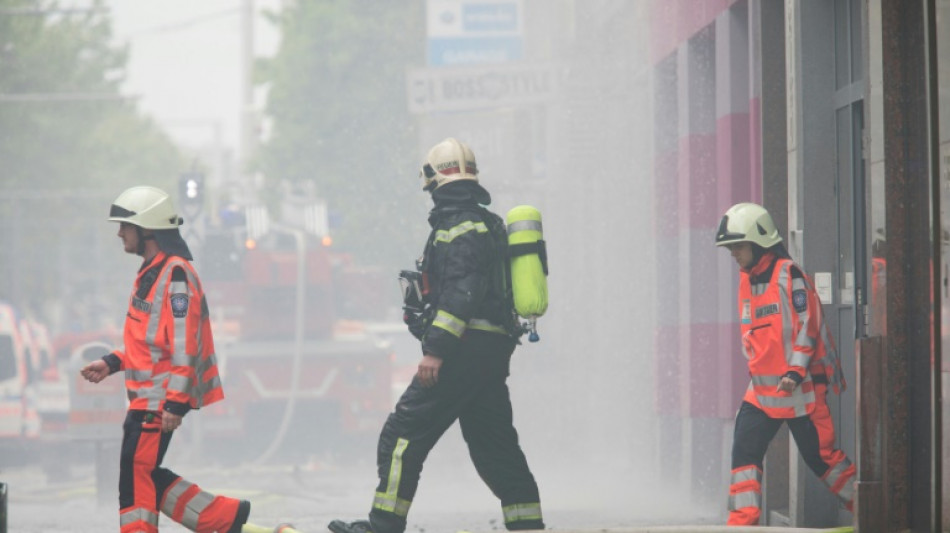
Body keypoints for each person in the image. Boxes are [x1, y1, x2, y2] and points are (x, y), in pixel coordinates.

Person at [328, 138, 544, 533]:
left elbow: (463, 291)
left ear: (433, 179)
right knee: (495, 445)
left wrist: (436, 350)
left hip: (462, 349)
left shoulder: (457, 226)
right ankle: (527, 524)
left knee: (403, 434)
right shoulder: (489, 224)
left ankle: (383, 525)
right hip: (492, 350)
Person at [80, 186, 300, 533]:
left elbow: (185, 346)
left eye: (125, 225)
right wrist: (112, 361)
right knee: (145, 474)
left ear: (147, 229)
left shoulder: (176, 276)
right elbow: (150, 341)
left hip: (158, 400)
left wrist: (175, 402)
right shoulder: (153, 272)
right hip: (146, 399)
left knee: (136, 476)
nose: (119, 233)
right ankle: (226, 521)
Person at [715, 202, 855, 525]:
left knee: (822, 459)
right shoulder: (746, 279)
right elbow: (752, 329)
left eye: (738, 246)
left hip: (799, 388)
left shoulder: (789, 274)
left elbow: (809, 324)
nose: (733, 254)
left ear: (758, 241)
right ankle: (741, 524)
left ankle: (872, 510)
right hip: (763, 390)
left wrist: (795, 370)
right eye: (730, 248)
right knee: (744, 452)